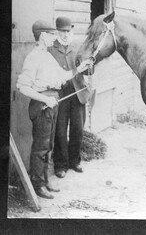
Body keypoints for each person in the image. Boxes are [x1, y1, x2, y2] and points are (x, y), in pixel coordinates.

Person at [16, 20, 91, 199]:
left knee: (48, 145)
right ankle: (37, 185)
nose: (54, 37)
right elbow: (22, 86)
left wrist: (78, 69)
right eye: (51, 34)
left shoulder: (46, 56)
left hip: (52, 102)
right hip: (42, 105)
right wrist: (44, 99)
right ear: (42, 36)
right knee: (40, 147)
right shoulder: (34, 57)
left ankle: (45, 180)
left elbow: (62, 76)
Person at [48, 17, 91, 179]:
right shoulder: (51, 49)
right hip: (60, 95)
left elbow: (87, 70)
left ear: (71, 31)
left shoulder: (79, 47)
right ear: (57, 31)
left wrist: (89, 66)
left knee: (77, 129)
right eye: (62, 31)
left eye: (68, 31)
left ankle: (75, 161)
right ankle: (60, 165)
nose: (65, 34)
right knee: (60, 130)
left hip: (78, 92)